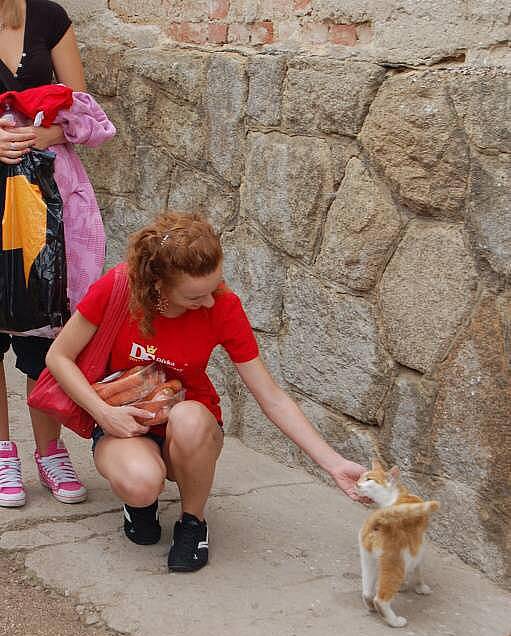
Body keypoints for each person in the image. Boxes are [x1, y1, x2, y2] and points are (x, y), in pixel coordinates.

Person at [46, 210, 368, 572]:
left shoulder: (224, 306)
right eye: (196, 296)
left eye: (214, 287)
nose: (210, 301)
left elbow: (272, 397)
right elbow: (59, 357)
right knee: (140, 484)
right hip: (125, 422)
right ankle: (140, 505)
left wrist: (334, 463)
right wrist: (104, 413)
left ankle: (193, 523)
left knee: (189, 416)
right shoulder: (119, 287)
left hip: (191, 427)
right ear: (158, 287)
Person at [0, 0, 106, 507]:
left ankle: (49, 450)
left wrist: (51, 132)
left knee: (45, 328)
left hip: (49, 196)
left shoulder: (50, 17)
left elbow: (82, 108)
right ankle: (2, 455)